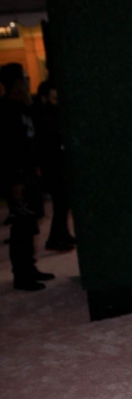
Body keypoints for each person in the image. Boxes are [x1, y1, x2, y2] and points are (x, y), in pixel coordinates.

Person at [0, 62, 54, 290]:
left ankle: (29, 268)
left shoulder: (23, 107)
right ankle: (22, 274)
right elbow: (8, 150)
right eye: (24, 79)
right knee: (22, 225)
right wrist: (15, 180)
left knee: (30, 222)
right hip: (18, 177)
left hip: (28, 174)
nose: (27, 82)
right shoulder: (6, 111)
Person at [32, 80, 75, 251]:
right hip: (52, 164)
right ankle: (57, 238)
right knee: (60, 203)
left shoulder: (48, 113)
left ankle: (61, 235)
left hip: (55, 163)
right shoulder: (44, 115)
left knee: (62, 204)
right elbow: (49, 139)